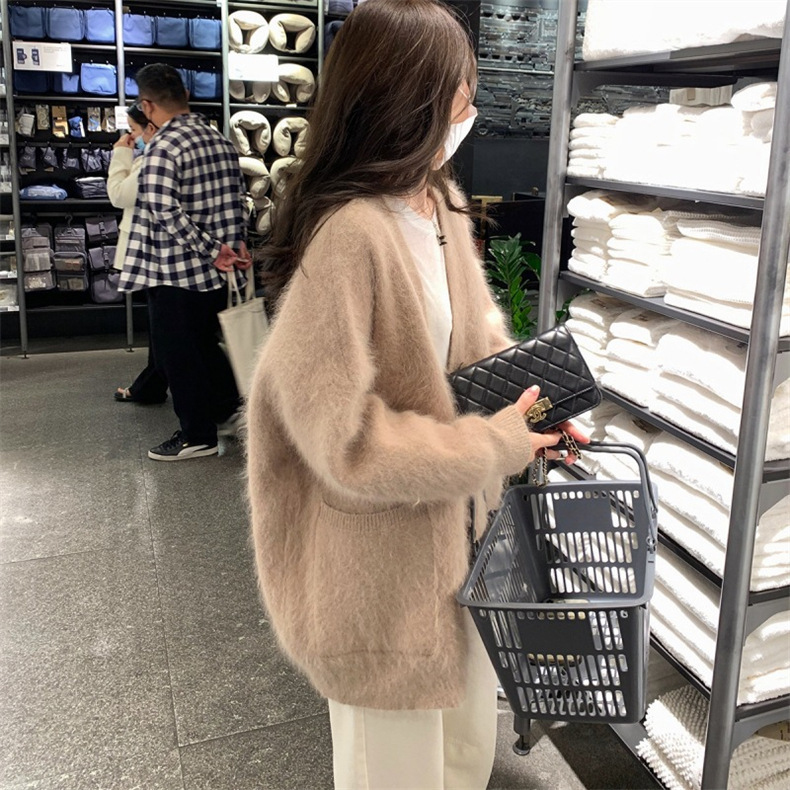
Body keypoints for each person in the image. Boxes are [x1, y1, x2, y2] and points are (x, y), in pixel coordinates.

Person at [245, 1, 588, 788]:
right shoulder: (348, 234)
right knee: (395, 770)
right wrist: (495, 443)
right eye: (460, 88)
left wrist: (538, 412)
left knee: (461, 758)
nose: (472, 105)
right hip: (376, 574)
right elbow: (345, 442)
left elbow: (477, 340)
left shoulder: (439, 205)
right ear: (410, 97)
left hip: (458, 551)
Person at [117, 64, 251, 461]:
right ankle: (229, 409)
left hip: (174, 270)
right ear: (186, 96)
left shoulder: (162, 147)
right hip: (218, 272)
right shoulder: (220, 141)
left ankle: (197, 436)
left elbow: (164, 211)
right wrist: (235, 246)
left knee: (178, 354)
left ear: (147, 105)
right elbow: (237, 201)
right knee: (205, 344)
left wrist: (211, 249)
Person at [108, 101, 168, 405]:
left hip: (150, 252)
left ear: (150, 128)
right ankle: (150, 385)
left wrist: (121, 154)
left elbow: (119, 195)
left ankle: (151, 386)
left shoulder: (151, 162)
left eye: (133, 129)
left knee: (163, 328)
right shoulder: (153, 158)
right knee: (160, 328)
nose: (131, 136)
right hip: (156, 252)